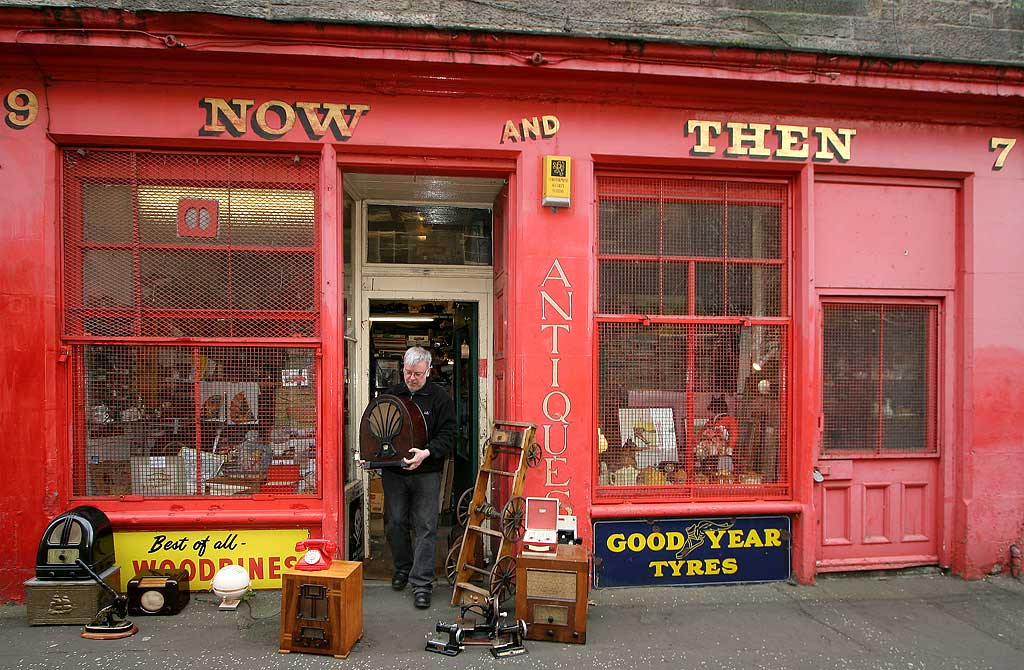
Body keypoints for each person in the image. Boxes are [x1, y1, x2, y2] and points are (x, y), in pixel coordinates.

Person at [378, 346, 456, 609]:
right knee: (394, 523)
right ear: (402, 368)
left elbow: (449, 436)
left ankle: (421, 584)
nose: (412, 378)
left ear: (429, 371)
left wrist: (428, 452)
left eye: (418, 374)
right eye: (408, 372)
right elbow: (377, 429)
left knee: (425, 527)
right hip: (395, 472)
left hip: (426, 472)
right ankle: (403, 567)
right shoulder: (391, 395)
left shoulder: (440, 399)